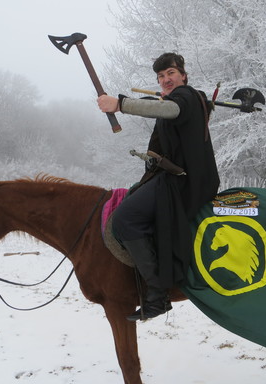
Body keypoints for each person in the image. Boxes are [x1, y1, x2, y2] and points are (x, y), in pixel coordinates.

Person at [97, 52, 220, 321]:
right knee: (132, 198)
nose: (165, 79)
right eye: (161, 76)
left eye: (171, 73)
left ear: (183, 75)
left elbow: (170, 109)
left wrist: (119, 104)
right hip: (171, 177)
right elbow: (161, 105)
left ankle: (157, 294)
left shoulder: (185, 97)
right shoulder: (182, 98)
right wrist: (125, 102)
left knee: (125, 218)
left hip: (183, 182)